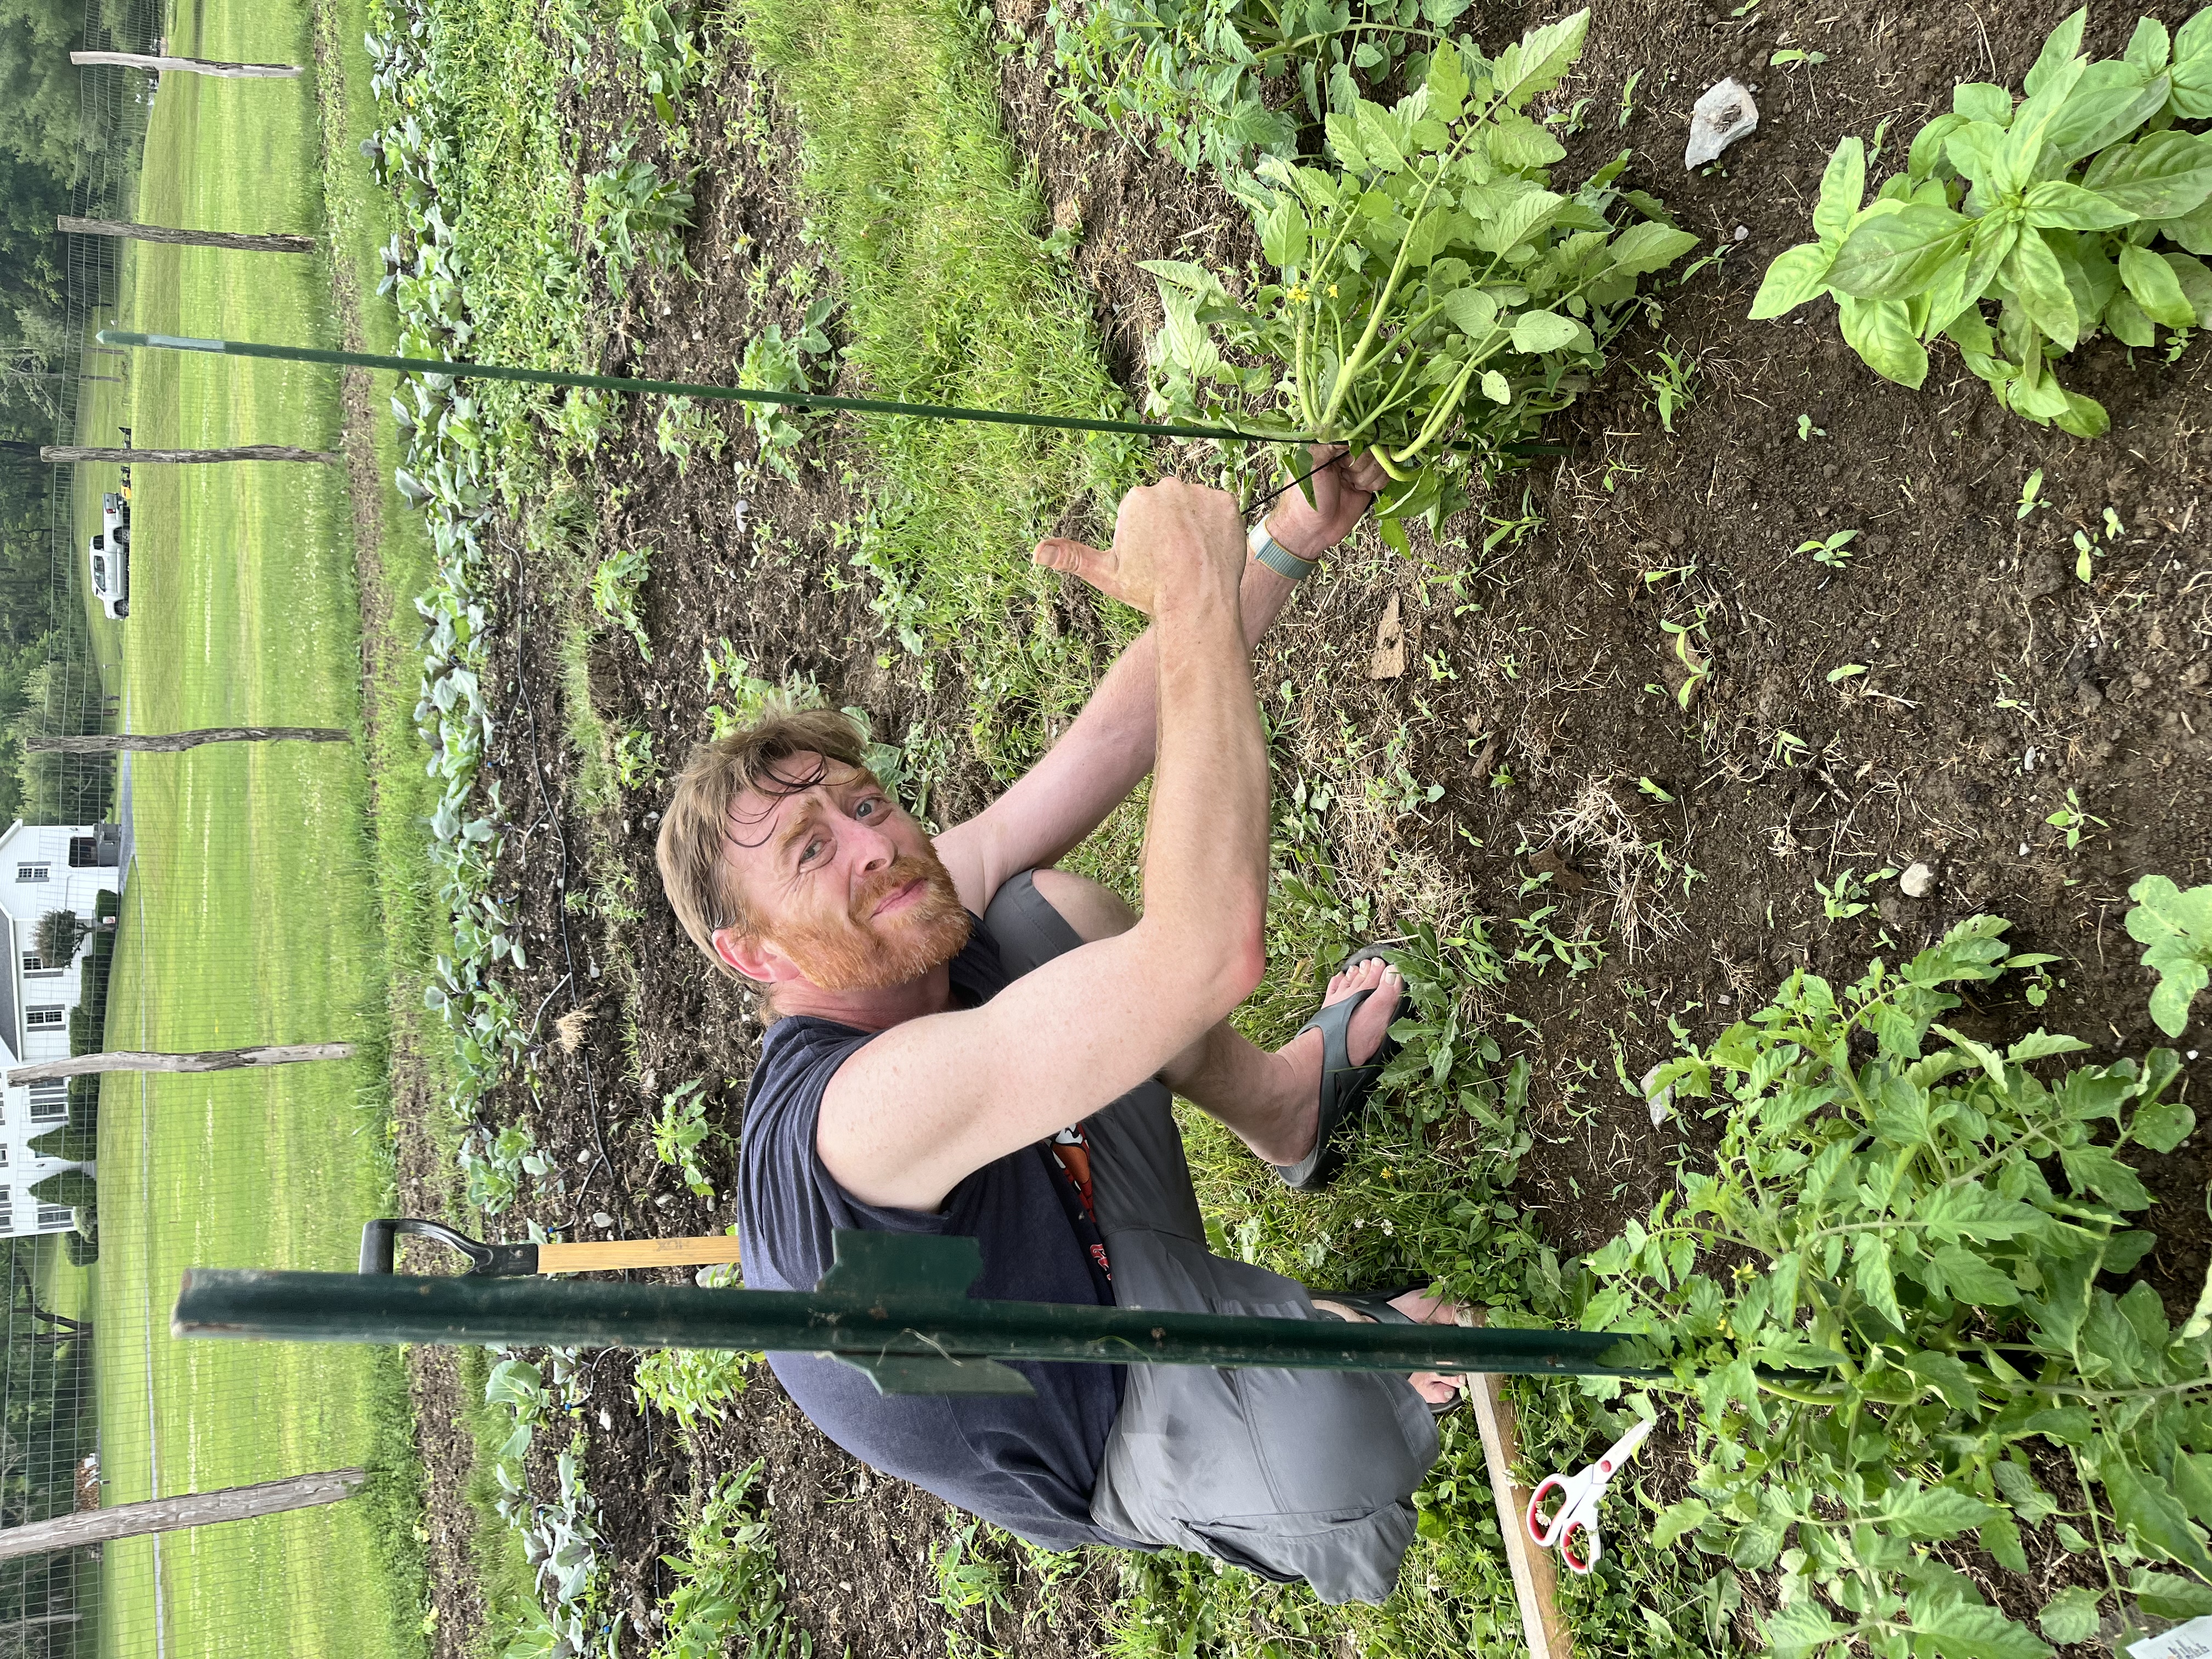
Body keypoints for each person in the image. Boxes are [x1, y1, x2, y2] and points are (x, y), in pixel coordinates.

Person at [654, 446, 1466, 1605]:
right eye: (810, 852)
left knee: (1045, 918)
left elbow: (1102, 749)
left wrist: (1281, 543)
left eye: (863, 801)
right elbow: (1203, 957)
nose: (873, 843)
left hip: (1045, 1229)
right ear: (755, 956)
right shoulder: (859, 1119)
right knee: (1349, 1448)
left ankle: (1290, 1113)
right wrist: (1187, 599)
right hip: (1097, 1410)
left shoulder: (900, 924)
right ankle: (1340, 1358)